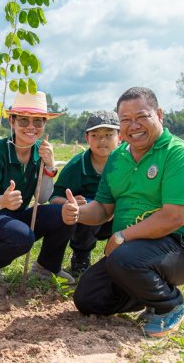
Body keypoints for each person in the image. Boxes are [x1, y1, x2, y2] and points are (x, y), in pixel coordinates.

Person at [65, 87, 184, 338]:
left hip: (183, 247)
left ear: (159, 115)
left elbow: (173, 217)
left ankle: (171, 304)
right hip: (136, 249)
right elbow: (103, 209)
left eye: (141, 116)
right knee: (88, 297)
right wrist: (78, 213)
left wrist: (121, 237)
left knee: (124, 257)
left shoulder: (178, 154)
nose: (134, 125)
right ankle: (149, 294)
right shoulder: (117, 157)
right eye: (125, 120)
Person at [0, 91, 74, 284]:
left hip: (14, 217)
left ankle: (46, 267)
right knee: (23, 236)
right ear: (11, 122)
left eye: (38, 122)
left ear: (44, 124)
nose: (31, 127)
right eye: (23, 121)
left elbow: (42, 198)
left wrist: (49, 166)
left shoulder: (40, 151)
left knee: (65, 213)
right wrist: (3, 201)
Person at [50, 110, 119, 278]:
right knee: (88, 206)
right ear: (87, 138)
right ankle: (81, 257)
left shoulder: (129, 162)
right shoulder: (76, 165)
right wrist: (69, 203)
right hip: (89, 222)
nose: (102, 140)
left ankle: (123, 259)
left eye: (109, 134)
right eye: (95, 135)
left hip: (119, 218)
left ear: (120, 136)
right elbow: (53, 197)